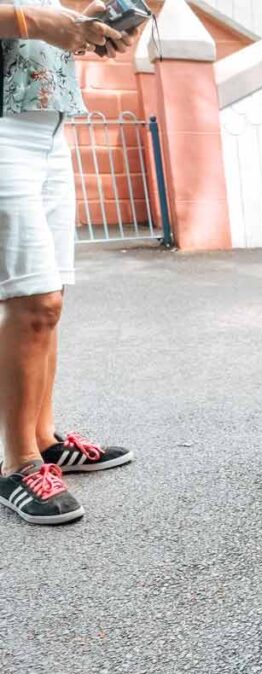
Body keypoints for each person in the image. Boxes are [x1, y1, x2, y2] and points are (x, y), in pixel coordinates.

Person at [0, 0, 136, 526]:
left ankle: (44, 441)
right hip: (5, 125)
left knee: (50, 296)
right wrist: (36, 21)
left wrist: (90, 25)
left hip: (49, 127)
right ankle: (18, 463)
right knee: (33, 298)